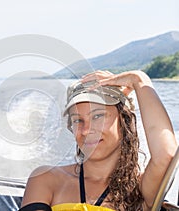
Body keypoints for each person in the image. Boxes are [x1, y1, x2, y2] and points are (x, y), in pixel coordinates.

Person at [19, 70, 178, 211]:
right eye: (77, 120)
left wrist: (139, 80)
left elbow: (166, 155)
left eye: (98, 116)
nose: (86, 130)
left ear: (124, 121)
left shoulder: (140, 189)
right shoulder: (46, 179)